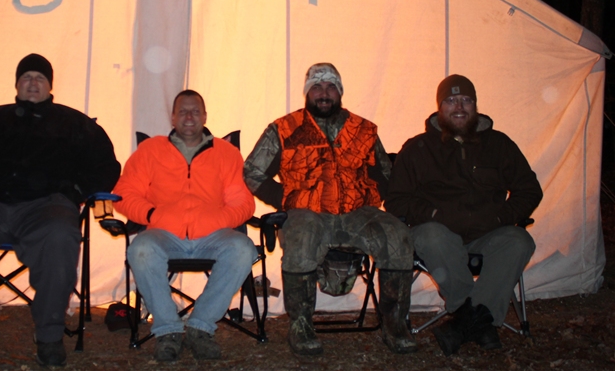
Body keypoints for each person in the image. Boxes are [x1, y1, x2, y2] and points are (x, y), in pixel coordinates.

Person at [0, 53, 120, 366]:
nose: (32, 83)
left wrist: (74, 192)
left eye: (40, 78)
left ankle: (48, 333)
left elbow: (106, 166)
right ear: (16, 84)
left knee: (61, 236)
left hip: (47, 206)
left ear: (50, 86)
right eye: (26, 78)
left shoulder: (74, 123)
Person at [243, 63, 416, 357]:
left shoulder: (363, 130)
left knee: (396, 235)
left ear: (340, 92)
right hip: (307, 213)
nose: (324, 93)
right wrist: (287, 198)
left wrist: (370, 197)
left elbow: (387, 174)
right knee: (300, 240)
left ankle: (395, 326)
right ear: (307, 92)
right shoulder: (284, 129)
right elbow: (252, 171)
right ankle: (300, 328)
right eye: (317, 87)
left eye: (331, 87)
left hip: (357, 213)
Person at [386, 74, 542, 356]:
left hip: (488, 233)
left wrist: (501, 218)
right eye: (450, 100)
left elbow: (529, 191)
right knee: (432, 234)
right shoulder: (418, 148)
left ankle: (465, 322)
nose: (459, 106)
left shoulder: (499, 145)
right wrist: (432, 213)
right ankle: (481, 321)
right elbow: (396, 200)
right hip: (438, 236)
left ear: (476, 105)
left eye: (466, 100)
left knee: (519, 240)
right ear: (439, 107)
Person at [113, 90, 257, 362]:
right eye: (183, 111)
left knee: (242, 249)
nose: (189, 117)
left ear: (205, 116)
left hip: (213, 234)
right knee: (141, 250)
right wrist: (152, 213)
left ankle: (200, 327)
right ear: (172, 117)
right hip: (164, 233)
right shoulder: (151, 150)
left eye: (195, 111)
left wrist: (220, 220)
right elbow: (125, 194)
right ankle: (167, 330)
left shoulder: (226, 153)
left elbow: (243, 201)